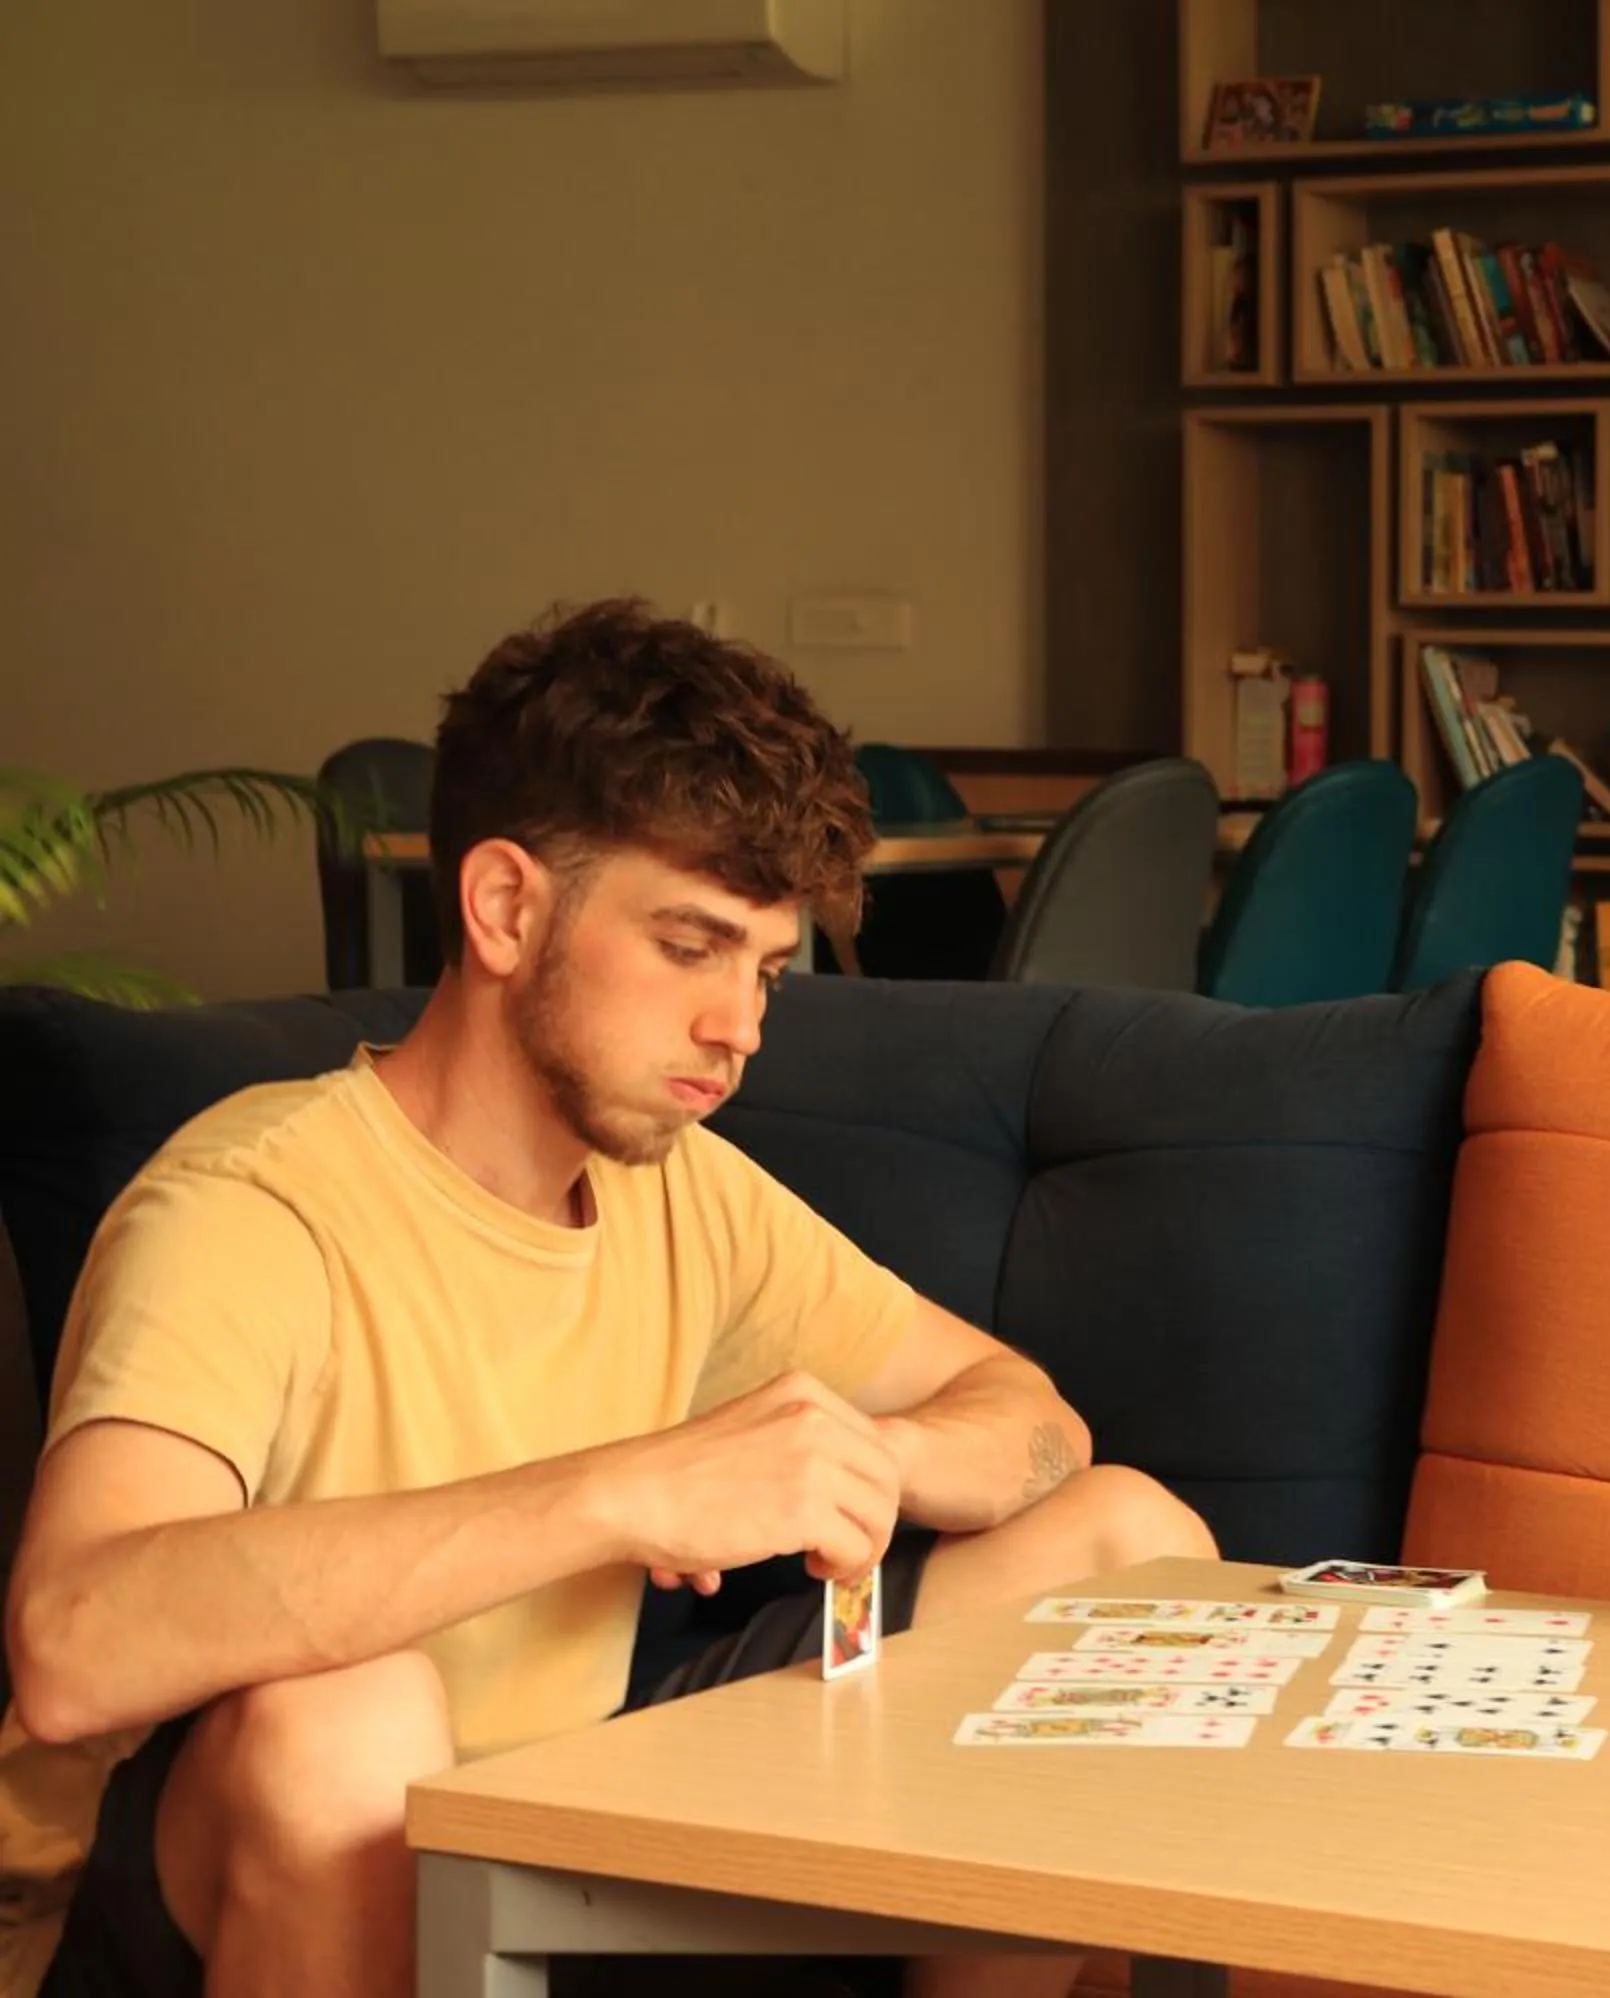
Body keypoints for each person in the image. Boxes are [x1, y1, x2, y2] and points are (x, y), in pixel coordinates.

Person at [0, 601, 1215, 1998]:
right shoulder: (247, 1202)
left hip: (558, 1808)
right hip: (196, 1876)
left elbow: (1028, 1414)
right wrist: (624, 1492)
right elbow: (75, 1643)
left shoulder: (680, 1188)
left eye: (764, 967)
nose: (743, 1027)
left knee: (1127, 1539)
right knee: (348, 1714)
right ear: (508, 905)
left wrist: (862, 1459)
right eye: (691, 947)